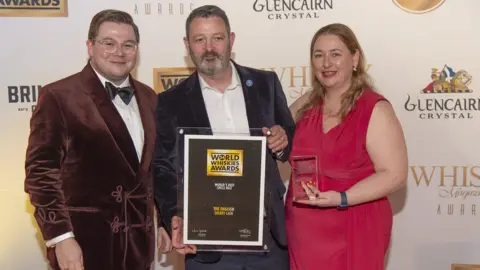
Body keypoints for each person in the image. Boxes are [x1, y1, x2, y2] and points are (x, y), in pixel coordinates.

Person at [24, 9, 171, 270]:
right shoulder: (59, 96)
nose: (120, 52)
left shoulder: (150, 98)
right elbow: (41, 174)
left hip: (139, 248)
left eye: (128, 44)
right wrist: (60, 238)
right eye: (109, 43)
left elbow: (153, 171)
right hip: (84, 247)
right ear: (90, 46)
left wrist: (163, 220)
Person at [153, 5, 295, 270]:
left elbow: (290, 137)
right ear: (187, 45)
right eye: (199, 40)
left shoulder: (266, 83)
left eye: (217, 38)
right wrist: (173, 216)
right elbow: (162, 168)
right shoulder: (169, 102)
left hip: (268, 240)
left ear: (231, 39)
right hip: (206, 244)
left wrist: (282, 142)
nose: (209, 48)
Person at [284, 23, 408, 270]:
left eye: (335, 54)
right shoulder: (306, 104)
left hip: (354, 224)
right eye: (318, 55)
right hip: (304, 230)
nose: (326, 63)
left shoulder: (375, 109)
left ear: (355, 58)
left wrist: (342, 198)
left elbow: (395, 175)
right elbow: (277, 144)